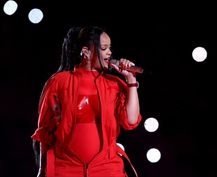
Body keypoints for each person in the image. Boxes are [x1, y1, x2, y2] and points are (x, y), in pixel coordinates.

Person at [31, 25, 142, 177]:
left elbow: (131, 120)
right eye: (104, 48)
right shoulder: (59, 82)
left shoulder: (113, 84)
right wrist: (42, 170)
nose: (109, 52)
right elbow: (45, 132)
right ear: (86, 52)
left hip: (107, 169)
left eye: (110, 48)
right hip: (66, 169)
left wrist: (131, 80)